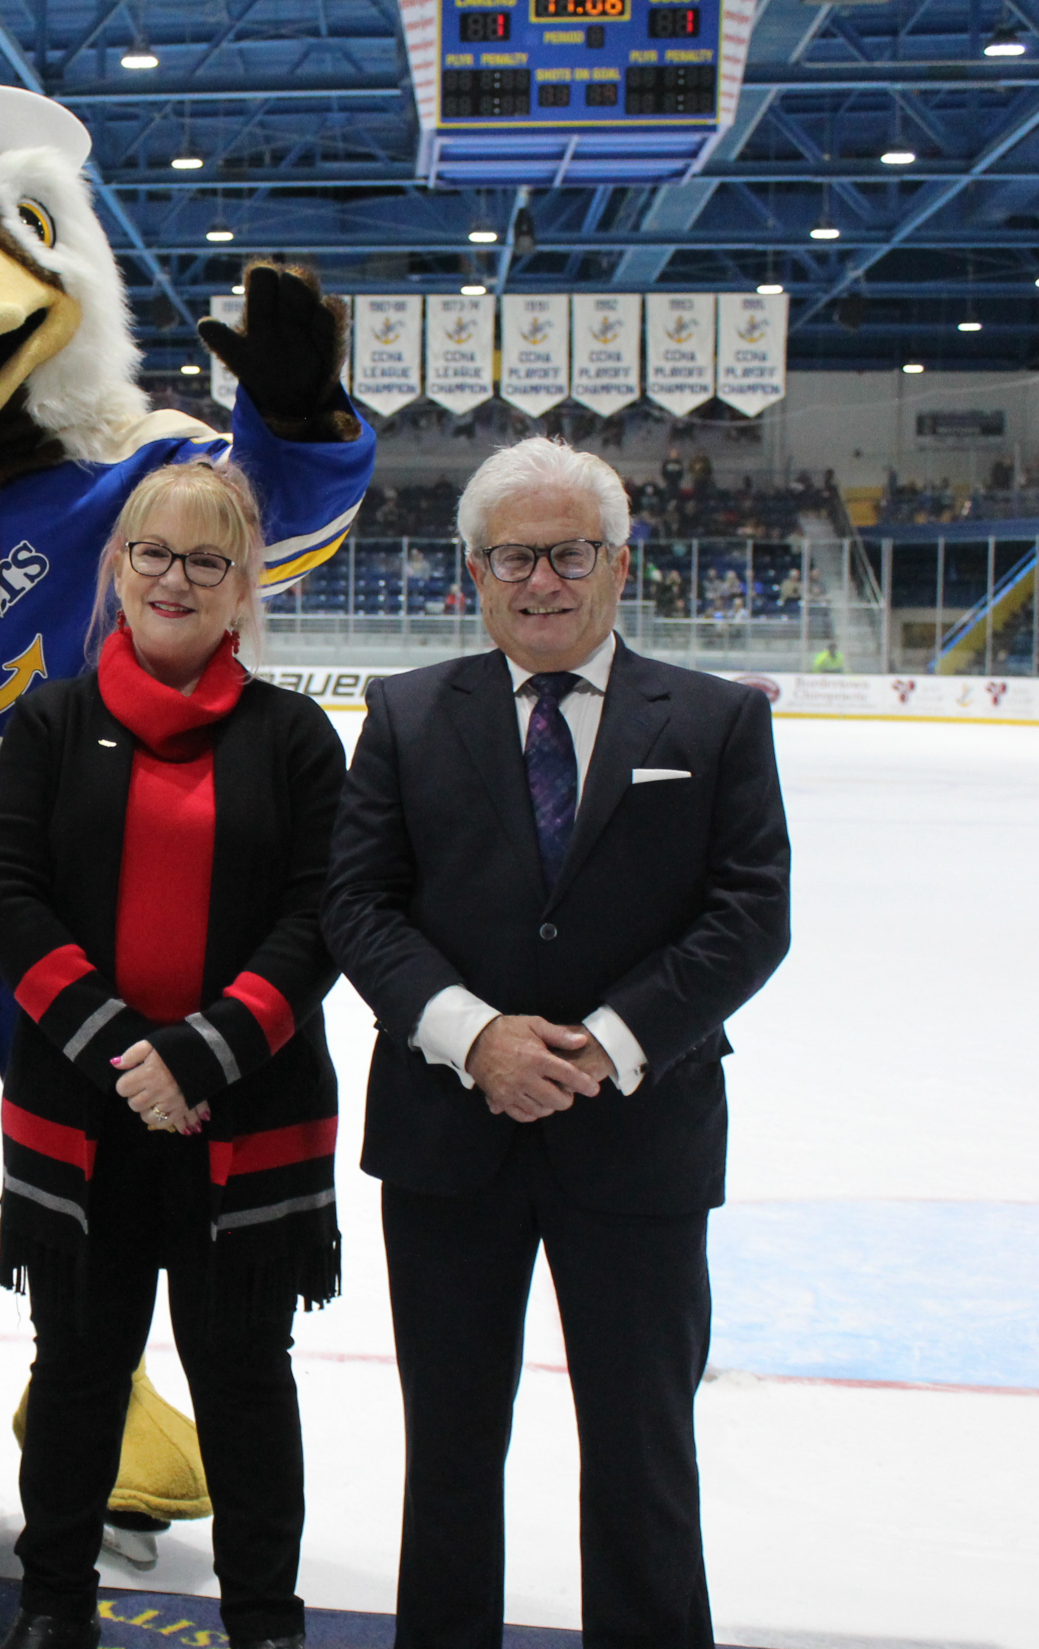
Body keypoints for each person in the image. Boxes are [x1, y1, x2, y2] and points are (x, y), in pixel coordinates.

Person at [322, 436, 792, 1649]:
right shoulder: (409, 713)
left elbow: (750, 917)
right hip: (448, 1138)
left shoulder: (717, 719)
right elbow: (358, 905)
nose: (542, 582)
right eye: (513, 558)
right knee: (452, 1448)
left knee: (641, 1447)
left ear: (619, 564)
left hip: (636, 1135)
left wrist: (607, 1042)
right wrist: (473, 1038)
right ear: (472, 573)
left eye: (568, 553)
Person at [0, 463, 345, 1649]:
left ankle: (263, 1619)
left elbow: (320, 912)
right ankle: (53, 1604)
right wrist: (132, 1051)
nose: (176, 579)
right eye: (154, 555)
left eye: (206, 560)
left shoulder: (291, 738)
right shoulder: (47, 720)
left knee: (244, 1381)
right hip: (85, 1114)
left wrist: (203, 1056)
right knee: (77, 1372)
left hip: (246, 1119)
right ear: (117, 571)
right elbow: (5, 893)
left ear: (244, 589)